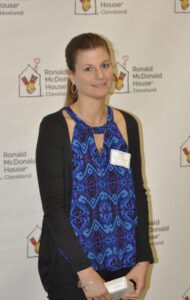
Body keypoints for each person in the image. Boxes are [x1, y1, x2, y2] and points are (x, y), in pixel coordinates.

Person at [36, 32, 154, 300]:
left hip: (125, 262)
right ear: (71, 75)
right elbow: (53, 209)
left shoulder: (128, 123)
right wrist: (86, 272)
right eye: (88, 68)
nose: (100, 76)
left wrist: (143, 259)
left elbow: (138, 192)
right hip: (73, 268)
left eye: (104, 65)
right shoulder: (55, 127)